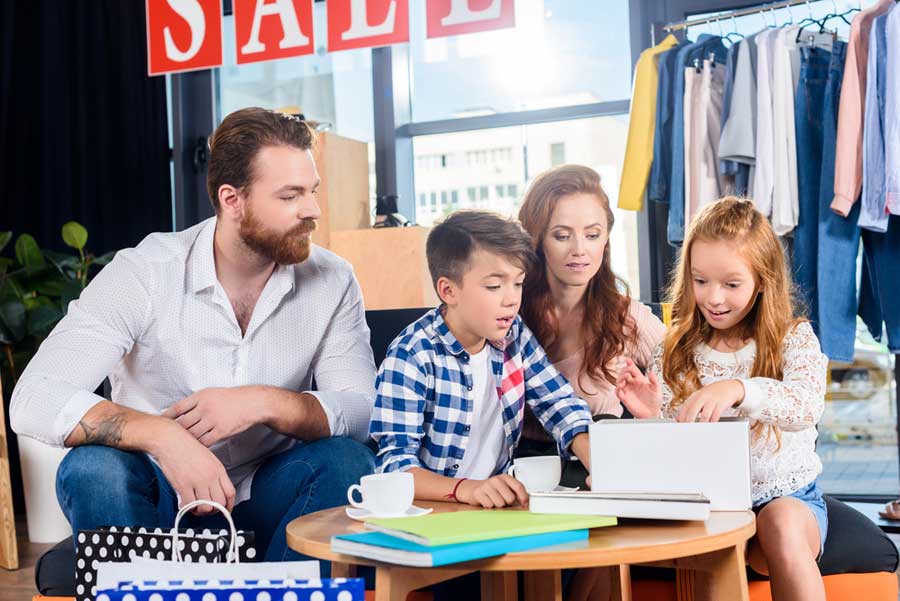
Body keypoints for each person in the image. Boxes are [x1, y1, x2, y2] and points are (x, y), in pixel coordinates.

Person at [10, 107, 376, 562]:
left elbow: (362, 411)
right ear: (231, 199)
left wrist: (262, 401)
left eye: (313, 191)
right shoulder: (145, 272)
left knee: (348, 462)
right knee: (93, 470)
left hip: (267, 491)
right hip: (158, 492)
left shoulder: (333, 279)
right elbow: (32, 398)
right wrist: (166, 438)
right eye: (290, 196)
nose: (313, 210)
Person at [617, 197, 829, 601]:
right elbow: (676, 450)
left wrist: (739, 388)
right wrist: (650, 416)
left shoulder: (794, 337)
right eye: (700, 281)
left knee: (780, 522)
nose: (714, 298)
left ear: (763, 279)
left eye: (731, 284)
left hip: (786, 500)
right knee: (709, 545)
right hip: (710, 505)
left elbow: (805, 406)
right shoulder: (677, 346)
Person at [370, 210, 594, 508]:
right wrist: (467, 489)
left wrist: (599, 462)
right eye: (494, 286)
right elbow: (395, 468)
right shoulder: (413, 355)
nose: (512, 299)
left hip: (496, 507)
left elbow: (560, 405)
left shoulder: (514, 335)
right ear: (448, 290)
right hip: (435, 511)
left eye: (518, 283)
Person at [517, 164, 666, 488]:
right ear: (537, 239)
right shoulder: (508, 318)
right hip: (522, 480)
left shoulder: (629, 319)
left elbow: (689, 387)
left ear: (606, 240)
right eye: (562, 235)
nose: (579, 250)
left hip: (599, 477)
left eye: (592, 234)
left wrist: (654, 412)